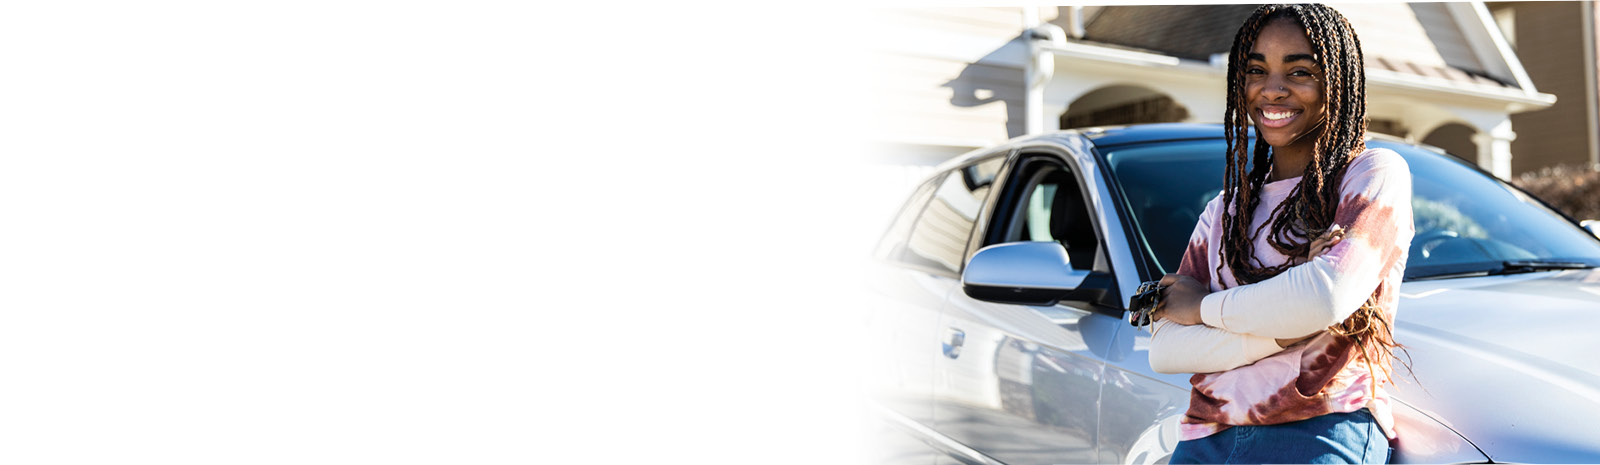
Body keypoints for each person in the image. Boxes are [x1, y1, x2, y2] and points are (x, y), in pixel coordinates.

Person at [1147, 4, 1413, 464]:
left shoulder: (1371, 175)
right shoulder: (1224, 210)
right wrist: (1287, 331)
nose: (1272, 89)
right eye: (1256, 70)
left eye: (1300, 71)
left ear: (1338, 83)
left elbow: (1323, 298)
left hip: (1315, 429)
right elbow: (1166, 348)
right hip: (1204, 435)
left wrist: (1203, 309)